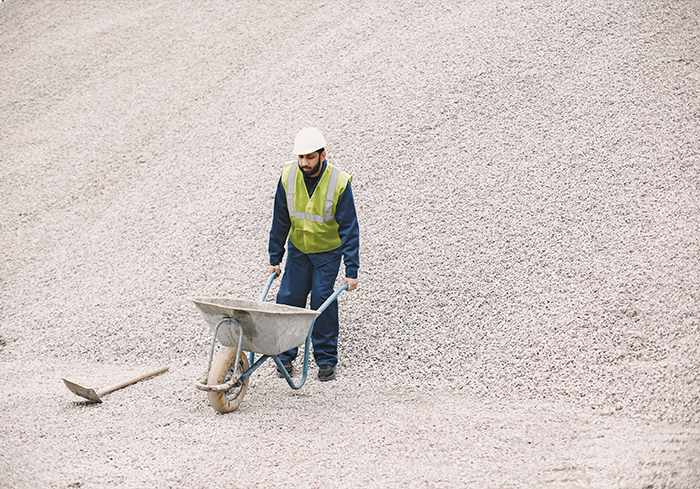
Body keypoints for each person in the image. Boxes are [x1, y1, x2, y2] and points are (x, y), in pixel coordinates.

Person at [268, 127, 359, 381]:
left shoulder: (338, 183)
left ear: (322, 155)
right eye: (300, 158)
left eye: (309, 157)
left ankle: (326, 360)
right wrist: (274, 258)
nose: (304, 163)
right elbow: (280, 220)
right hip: (299, 250)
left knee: (322, 301)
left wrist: (352, 271)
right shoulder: (288, 177)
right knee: (288, 297)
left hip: (327, 253)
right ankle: (285, 356)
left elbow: (350, 229)